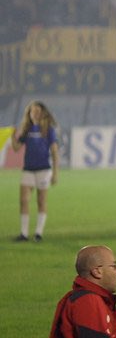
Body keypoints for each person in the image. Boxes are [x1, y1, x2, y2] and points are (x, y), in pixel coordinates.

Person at [11, 101, 59, 242]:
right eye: (32, 111)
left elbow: (55, 151)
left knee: (41, 201)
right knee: (24, 200)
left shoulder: (48, 129)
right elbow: (16, 148)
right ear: (29, 114)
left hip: (44, 169)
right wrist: (13, 136)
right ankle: (24, 234)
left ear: (42, 113)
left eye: (37, 111)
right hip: (28, 169)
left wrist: (56, 172)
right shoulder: (27, 129)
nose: (35, 114)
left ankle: (38, 233)